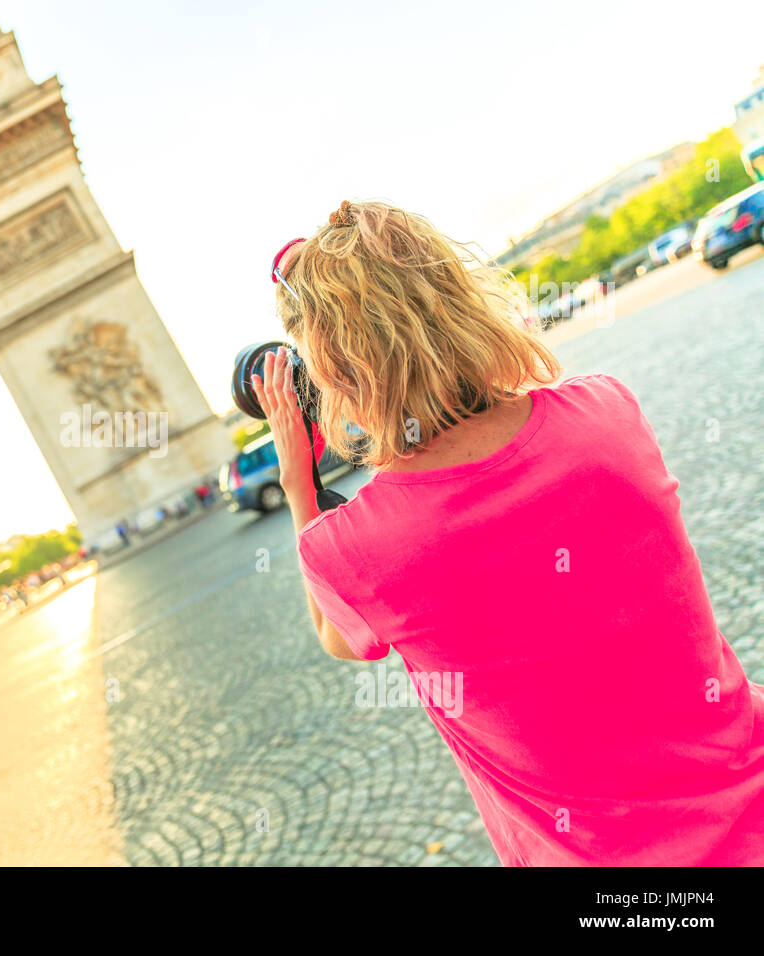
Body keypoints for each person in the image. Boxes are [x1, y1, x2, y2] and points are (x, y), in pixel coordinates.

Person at [256, 198, 764, 866]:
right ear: (460, 299)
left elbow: (338, 636)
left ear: (336, 373)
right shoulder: (607, 411)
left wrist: (299, 486)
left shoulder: (354, 548)